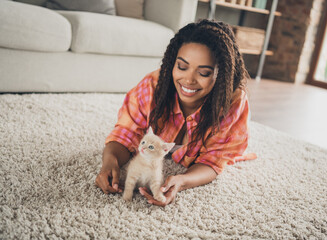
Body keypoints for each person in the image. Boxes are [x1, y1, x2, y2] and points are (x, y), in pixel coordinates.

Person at [95, 19, 256, 206]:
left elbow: (213, 160)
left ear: (221, 76)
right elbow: (126, 133)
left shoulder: (232, 102)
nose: (188, 80)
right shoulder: (154, 85)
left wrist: (182, 180)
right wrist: (109, 163)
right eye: (182, 66)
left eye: (203, 73)